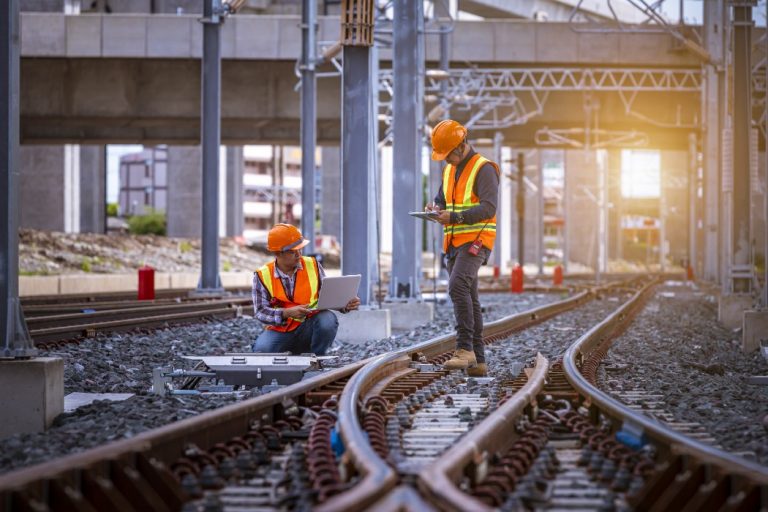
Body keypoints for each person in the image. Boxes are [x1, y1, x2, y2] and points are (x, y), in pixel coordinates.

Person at [426, 119, 500, 377]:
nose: (446, 161)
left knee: (457, 287)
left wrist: (454, 218)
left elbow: (489, 208)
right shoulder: (449, 171)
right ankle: (478, 361)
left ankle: (464, 348)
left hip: (476, 241)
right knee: (470, 295)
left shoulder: (484, 169)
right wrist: (434, 209)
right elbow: (441, 199)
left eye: (448, 155)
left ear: (460, 146)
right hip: (453, 243)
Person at [251, 223, 360, 355]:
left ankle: (317, 358)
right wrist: (286, 313)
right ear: (277, 253)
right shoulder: (262, 275)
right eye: (292, 251)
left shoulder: (313, 265)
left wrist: (345, 305)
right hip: (280, 329)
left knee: (327, 320)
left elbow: (326, 297)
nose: (298, 254)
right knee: (262, 351)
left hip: (309, 326)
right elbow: (260, 312)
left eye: (300, 249)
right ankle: (294, 352)